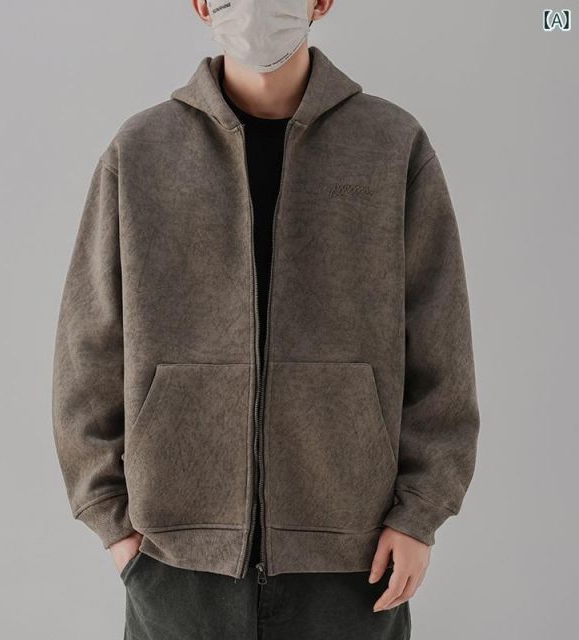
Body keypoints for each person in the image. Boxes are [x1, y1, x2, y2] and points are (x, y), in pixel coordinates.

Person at [51, 1, 480, 638]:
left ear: (320, 2)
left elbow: (441, 346)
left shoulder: (392, 146)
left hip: (354, 559)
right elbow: (87, 349)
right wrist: (114, 524)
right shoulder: (140, 153)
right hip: (177, 565)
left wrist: (418, 517)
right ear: (202, 4)